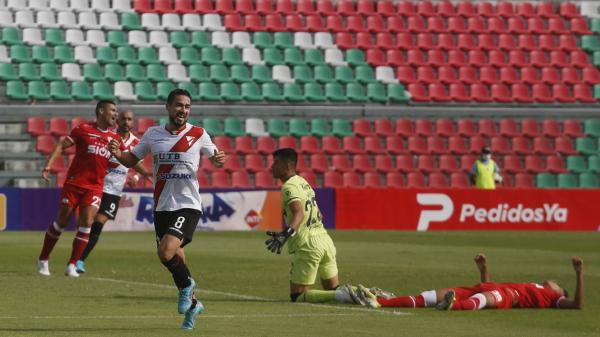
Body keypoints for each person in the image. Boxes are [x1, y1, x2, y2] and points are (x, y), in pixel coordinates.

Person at [108, 89, 226, 330]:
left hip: (188, 204)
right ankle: (194, 306)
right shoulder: (153, 134)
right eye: (179, 105)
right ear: (168, 107)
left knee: (165, 251)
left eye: (187, 106)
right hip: (162, 206)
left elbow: (215, 156)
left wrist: (218, 159)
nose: (183, 110)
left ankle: (186, 288)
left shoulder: (198, 134)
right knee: (174, 256)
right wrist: (117, 153)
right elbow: (132, 160)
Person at [266, 148, 361, 305]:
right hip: (325, 241)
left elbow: (299, 213)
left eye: (275, 163)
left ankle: (345, 294)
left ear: (286, 166)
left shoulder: (289, 186)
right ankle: (360, 293)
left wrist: (285, 234)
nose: (271, 166)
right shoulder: (303, 182)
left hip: (308, 245)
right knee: (333, 292)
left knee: (298, 296)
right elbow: (319, 214)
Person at [37, 100, 120, 277]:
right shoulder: (83, 129)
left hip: (95, 187)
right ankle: (43, 259)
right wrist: (48, 166)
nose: (115, 114)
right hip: (74, 184)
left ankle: (72, 264)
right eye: (112, 110)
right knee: (62, 221)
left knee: (87, 222)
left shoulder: (115, 138)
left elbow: (115, 161)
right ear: (101, 111)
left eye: (116, 111)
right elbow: (61, 145)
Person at [354, 253, 584, 311]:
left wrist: (579, 273)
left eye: (556, 283)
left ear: (558, 292)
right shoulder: (536, 285)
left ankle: (452, 306)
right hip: (491, 287)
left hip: (506, 297)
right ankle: (382, 302)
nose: (552, 281)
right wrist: (484, 270)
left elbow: (577, 305)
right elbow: (489, 285)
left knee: (482, 300)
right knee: (429, 295)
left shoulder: (554, 297)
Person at [75, 110, 151, 274]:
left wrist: (136, 178)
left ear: (133, 122)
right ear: (117, 120)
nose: (126, 121)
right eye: (123, 118)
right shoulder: (108, 137)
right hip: (97, 186)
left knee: (98, 223)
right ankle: (76, 257)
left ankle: (79, 260)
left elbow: (137, 166)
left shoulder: (137, 143)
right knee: (86, 222)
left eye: (129, 119)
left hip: (114, 191)